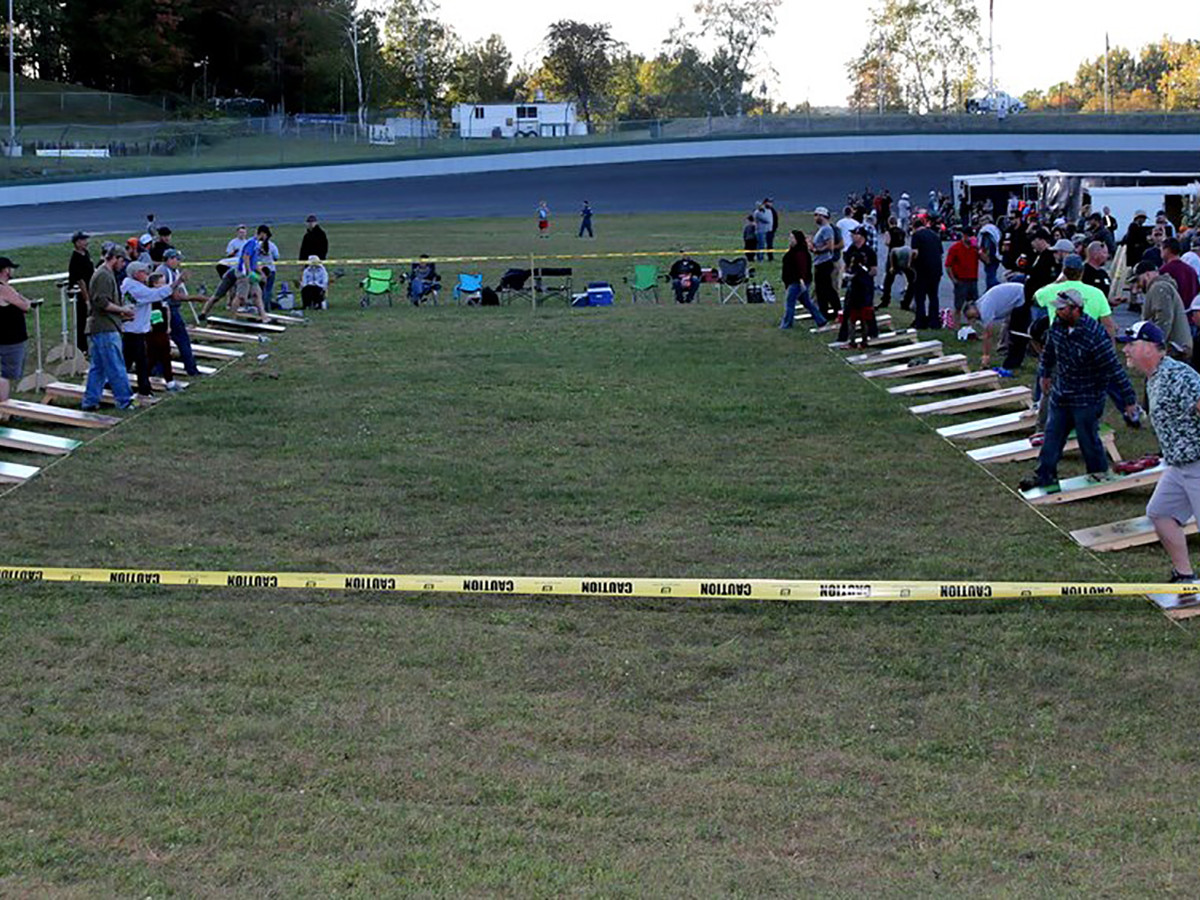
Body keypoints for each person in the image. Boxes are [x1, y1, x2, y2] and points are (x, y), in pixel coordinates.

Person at [1018, 289, 1138, 492]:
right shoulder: (1057, 324)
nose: (1057, 312)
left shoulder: (1094, 335)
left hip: (1087, 396)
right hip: (1062, 392)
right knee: (1052, 435)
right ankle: (1044, 475)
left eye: (1062, 309)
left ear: (1076, 309)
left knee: (1087, 437)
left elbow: (1114, 369)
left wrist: (1128, 400)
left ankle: (1099, 474)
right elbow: (1049, 350)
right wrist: (1045, 373)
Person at [1124, 320, 1200, 589]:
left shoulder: (1177, 376)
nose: (1126, 350)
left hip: (1197, 462)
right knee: (1160, 512)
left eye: (1131, 344)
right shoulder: (1155, 377)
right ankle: (1185, 575)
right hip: (1179, 465)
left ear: (1150, 347)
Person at [81, 245, 137, 411]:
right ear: (116, 258)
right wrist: (123, 310)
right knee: (116, 366)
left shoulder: (105, 273)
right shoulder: (104, 275)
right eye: (122, 261)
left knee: (98, 368)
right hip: (105, 328)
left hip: (103, 326)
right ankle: (125, 401)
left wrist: (120, 314)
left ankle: (90, 401)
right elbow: (102, 302)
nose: (123, 265)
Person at [120, 261, 175, 404]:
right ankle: (143, 389)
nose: (147, 275)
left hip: (133, 329)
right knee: (139, 361)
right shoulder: (136, 288)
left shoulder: (130, 285)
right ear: (136, 274)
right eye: (144, 272)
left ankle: (121, 385)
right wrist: (177, 283)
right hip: (134, 331)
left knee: (131, 361)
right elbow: (155, 294)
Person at [1033, 254, 1115, 336]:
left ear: (1063, 270)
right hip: (1087, 342)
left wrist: (1057, 281)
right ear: (1082, 271)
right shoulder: (1097, 293)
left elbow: (1035, 298)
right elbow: (1108, 325)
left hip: (1059, 341)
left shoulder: (1050, 290)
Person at [1131, 259, 1193, 360]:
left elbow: (1164, 318)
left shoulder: (1159, 287)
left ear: (1147, 275)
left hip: (1174, 350)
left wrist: (1156, 347)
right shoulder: (1161, 287)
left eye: (1138, 280)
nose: (1137, 285)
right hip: (1176, 348)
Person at [155, 249, 201, 377]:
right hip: (168, 310)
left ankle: (159, 371)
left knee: (162, 342)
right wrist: (195, 298)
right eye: (177, 259)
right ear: (170, 259)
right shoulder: (163, 272)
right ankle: (191, 369)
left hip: (165, 309)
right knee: (182, 340)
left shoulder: (170, 271)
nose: (179, 262)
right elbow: (173, 295)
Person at [964, 276, 1026, 369]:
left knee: (1018, 331)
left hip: (1021, 295)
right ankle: (1008, 352)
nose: (975, 318)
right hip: (1015, 298)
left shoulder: (984, 309)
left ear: (972, 307)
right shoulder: (980, 305)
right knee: (1010, 327)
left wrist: (986, 355)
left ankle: (1014, 362)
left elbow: (988, 335)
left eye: (972, 316)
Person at [838, 227, 878, 347]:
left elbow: (874, 270)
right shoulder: (851, 249)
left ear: (861, 236)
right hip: (853, 287)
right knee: (849, 313)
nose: (852, 236)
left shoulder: (869, 251)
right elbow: (846, 264)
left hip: (865, 287)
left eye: (855, 234)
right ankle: (849, 339)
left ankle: (869, 336)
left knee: (866, 313)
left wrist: (863, 274)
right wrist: (846, 274)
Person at [778, 229, 823, 329]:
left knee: (790, 303)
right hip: (795, 281)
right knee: (807, 303)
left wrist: (801, 280)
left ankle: (786, 324)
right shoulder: (794, 251)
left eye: (792, 238)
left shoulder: (800, 252)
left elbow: (802, 267)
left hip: (797, 282)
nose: (790, 239)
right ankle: (820, 320)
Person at [0, 256, 32, 396]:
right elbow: (25, 305)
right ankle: (5, 409)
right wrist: (19, 296)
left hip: (6, 338)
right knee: (6, 376)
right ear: (5, 270)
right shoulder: (4, 289)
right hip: (10, 340)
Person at [909, 218, 944, 329]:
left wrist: (910, 264)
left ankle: (921, 322)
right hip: (936, 270)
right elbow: (941, 253)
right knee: (933, 296)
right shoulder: (935, 235)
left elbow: (915, 253)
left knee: (920, 297)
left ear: (914, 227)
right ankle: (934, 322)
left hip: (922, 270)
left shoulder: (917, 236)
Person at [945, 227, 980, 327]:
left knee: (973, 304)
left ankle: (971, 326)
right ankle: (957, 325)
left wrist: (978, 249)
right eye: (967, 236)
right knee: (958, 305)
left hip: (973, 279)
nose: (969, 238)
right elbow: (948, 265)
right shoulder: (955, 248)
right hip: (961, 279)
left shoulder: (974, 248)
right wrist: (954, 280)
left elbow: (986, 260)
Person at [67, 230, 94, 355]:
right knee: (82, 320)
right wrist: (87, 299)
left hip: (90, 288)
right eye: (83, 240)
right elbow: (80, 280)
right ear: (77, 243)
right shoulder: (76, 258)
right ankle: (81, 347)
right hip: (80, 293)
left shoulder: (86, 254)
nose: (86, 242)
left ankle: (87, 345)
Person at [810, 207, 840, 319]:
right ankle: (824, 312)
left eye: (817, 215)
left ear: (822, 216)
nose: (815, 217)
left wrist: (816, 250)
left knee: (827, 289)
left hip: (824, 263)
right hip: (819, 262)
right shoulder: (821, 229)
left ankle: (836, 311)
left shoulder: (826, 229)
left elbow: (830, 246)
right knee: (821, 290)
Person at [1161, 237, 1199, 307]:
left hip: (1174, 313)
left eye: (1162, 249)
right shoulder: (1191, 270)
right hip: (1190, 314)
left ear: (1167, 250)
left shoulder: (1165, 270)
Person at [978, 215, 1002, 289]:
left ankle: (995, 289)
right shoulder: (995, 229)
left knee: (990, 275)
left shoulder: (986, 231)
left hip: (990, 256)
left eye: (982, 220)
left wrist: (986, 256)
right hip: (996, 255)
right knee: (991, 273)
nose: (980, 223)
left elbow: (986, 245)